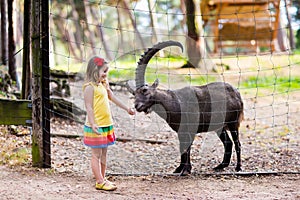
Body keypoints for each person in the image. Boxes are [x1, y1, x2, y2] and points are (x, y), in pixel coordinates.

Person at [83, 56, 135, 191]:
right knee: (96, 154)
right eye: (104, 71)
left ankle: (103, 178)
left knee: (104, 154)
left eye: (107, 71)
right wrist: (93, 123)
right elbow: (89, 107)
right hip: (96, 126)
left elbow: (112, 97)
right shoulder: (89, 88)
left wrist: (127, 108)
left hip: (106, 124)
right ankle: (99, 180)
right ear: (95, 71)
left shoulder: (104, 84)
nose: (106, 74)